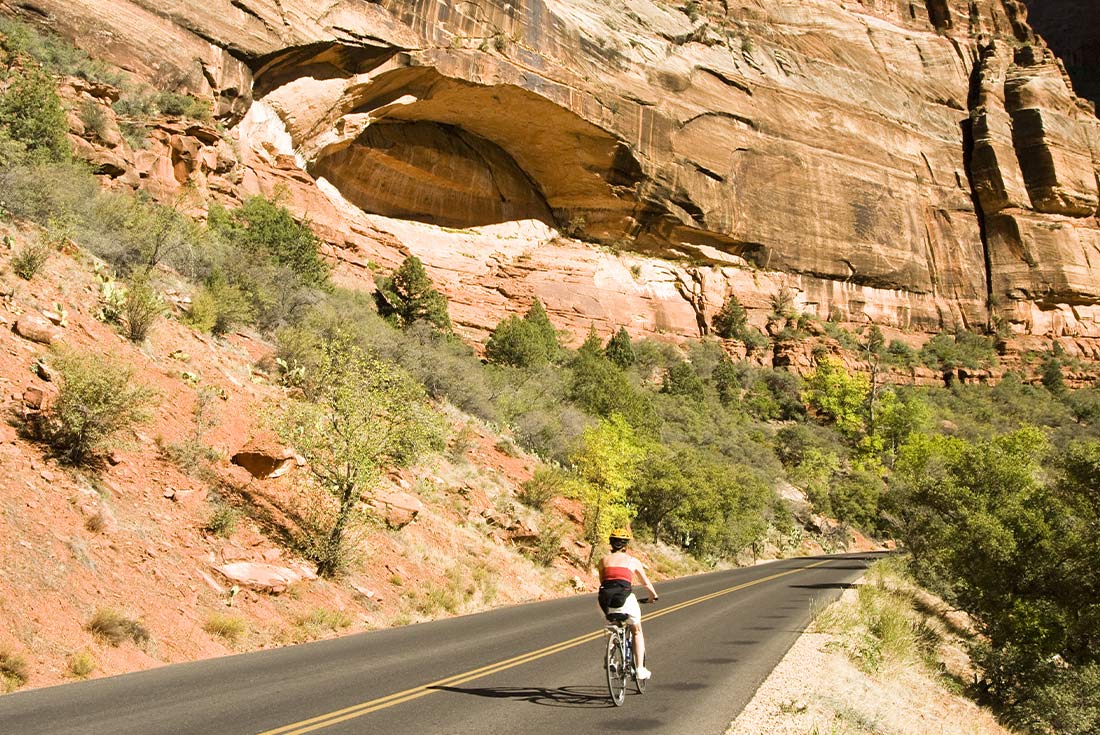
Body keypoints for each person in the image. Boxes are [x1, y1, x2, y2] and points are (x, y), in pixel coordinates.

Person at [597, 528, 658, 680]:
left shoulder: (603, 561)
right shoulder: (632, 561)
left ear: (611, 543)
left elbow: (603, 580)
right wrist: (653, 596)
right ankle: (640, 669)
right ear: (626, 545)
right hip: (623, 597)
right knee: (636, 630)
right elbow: (645, 582)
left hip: (604, 599)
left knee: (614, 627)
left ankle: (610, 658)